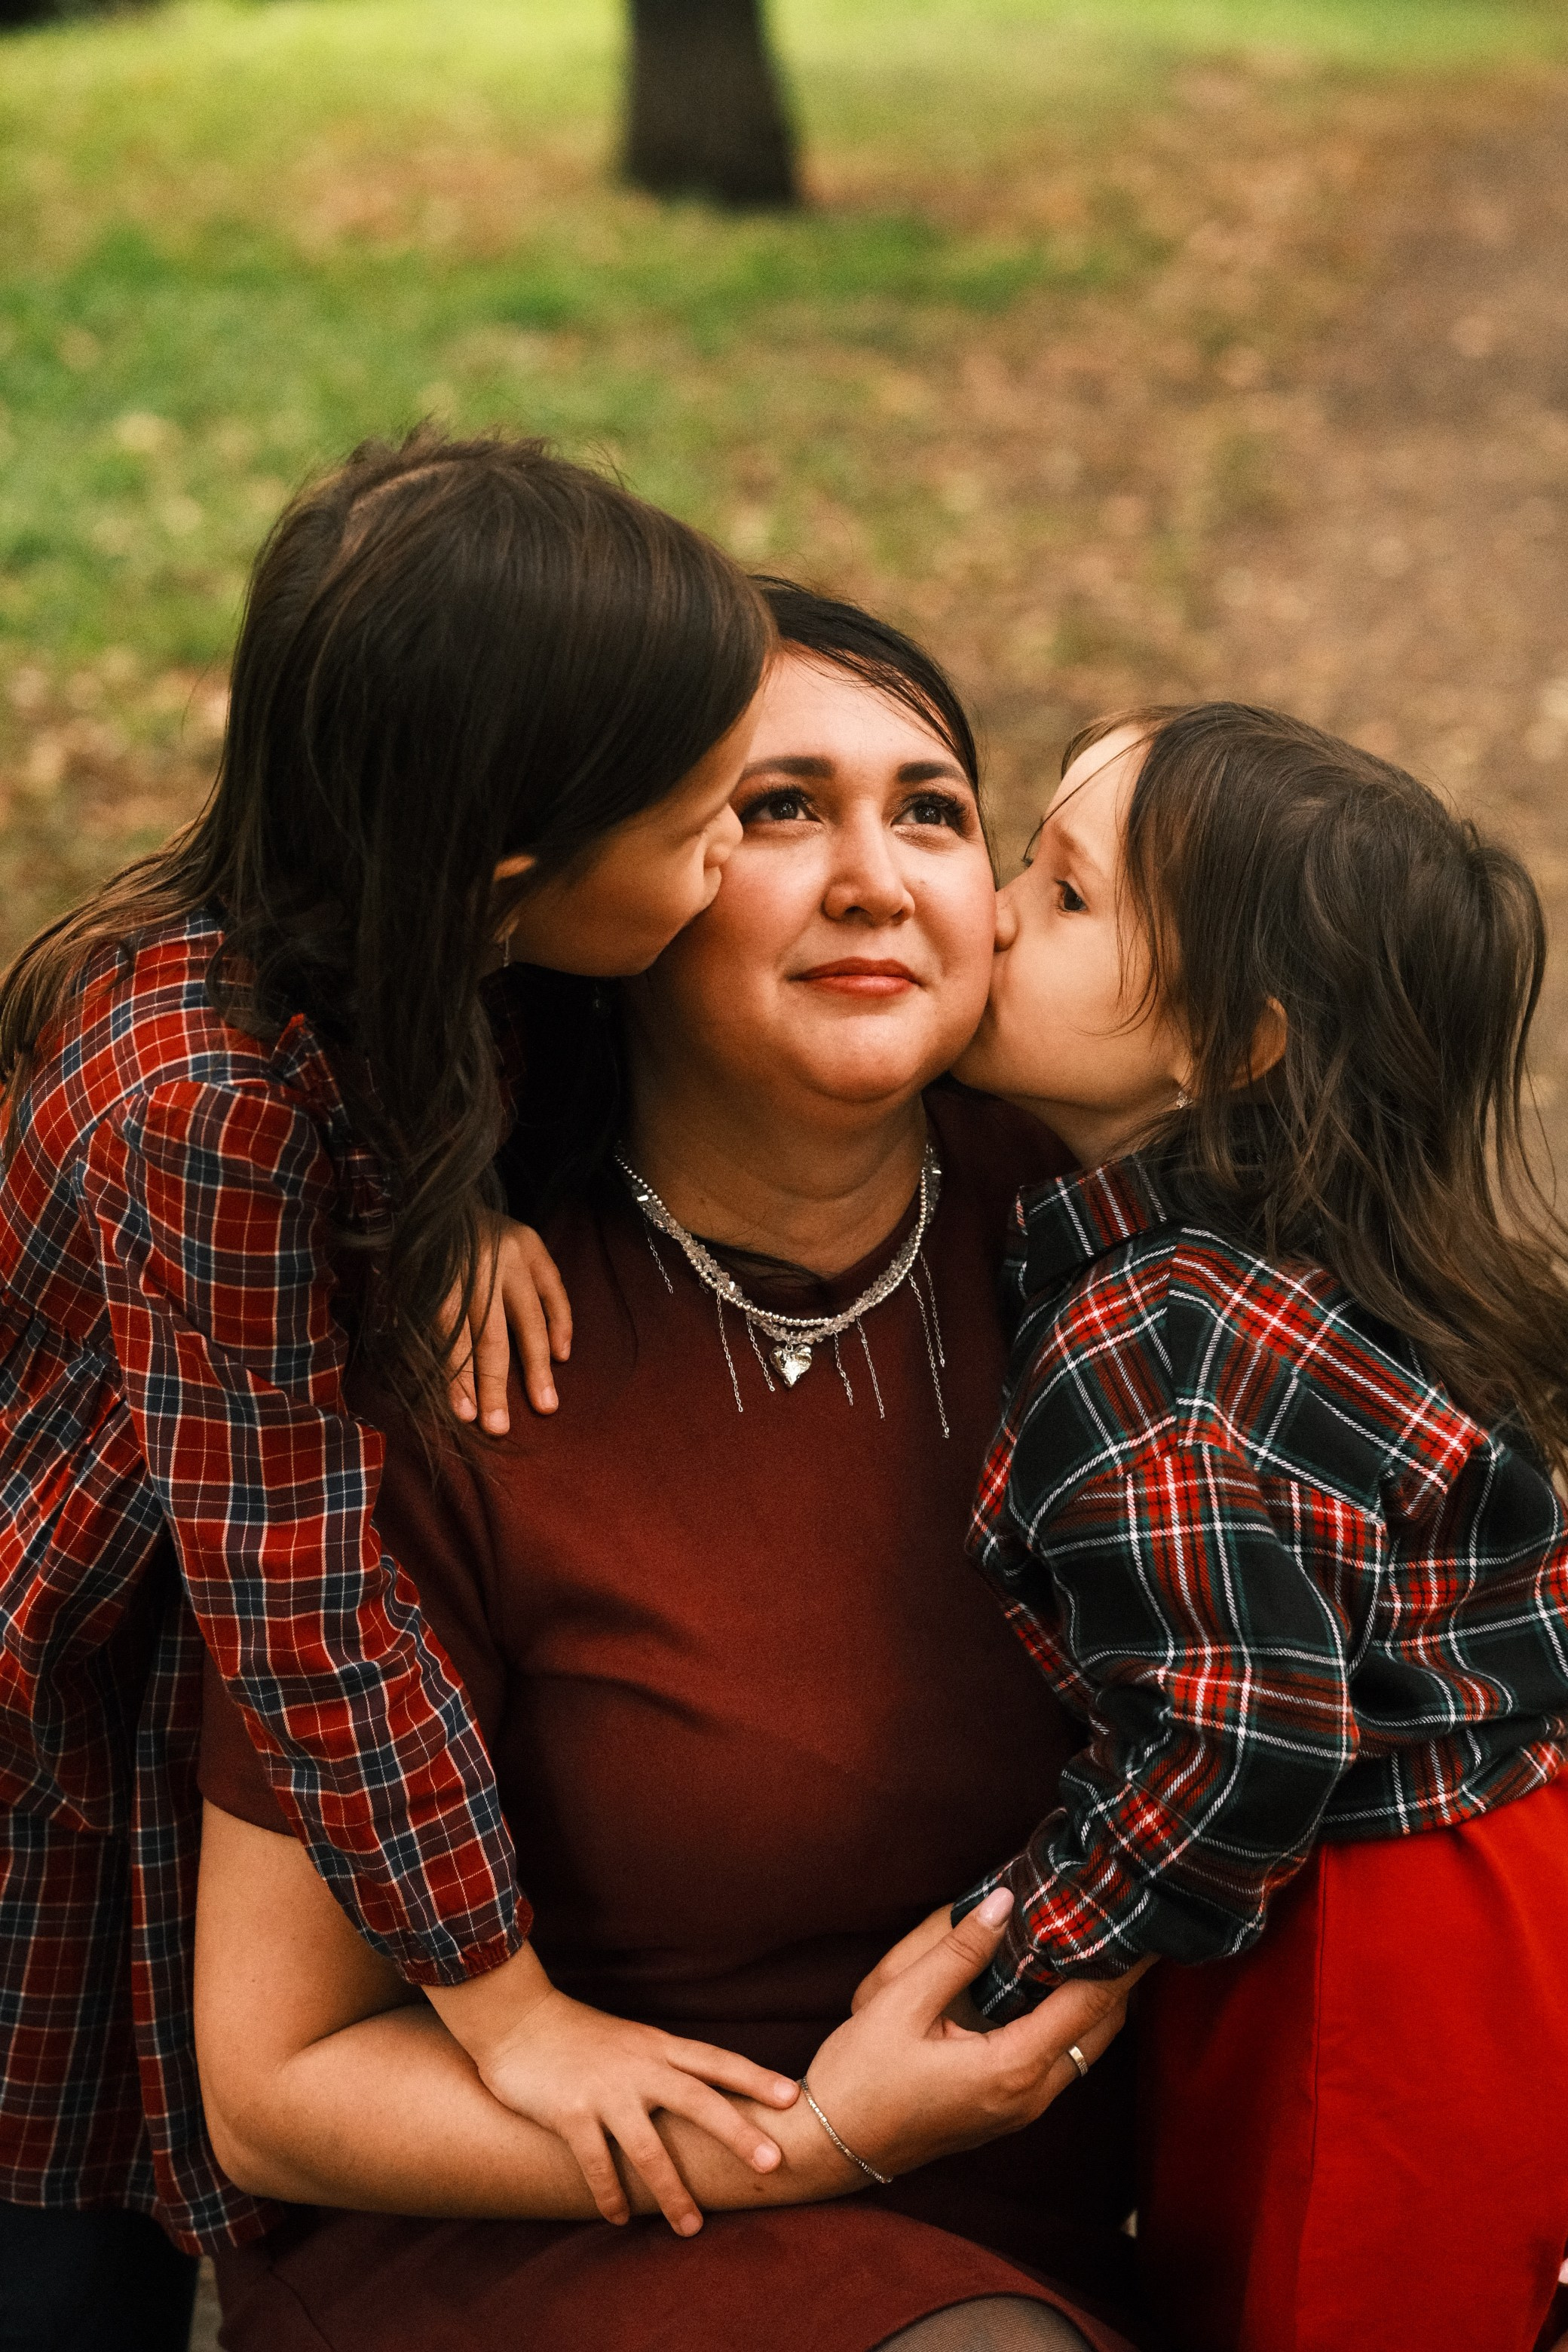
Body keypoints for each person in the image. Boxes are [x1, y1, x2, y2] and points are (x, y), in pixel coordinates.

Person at [190, 586, 1154, 2352]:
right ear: (609, 895)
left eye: (931, 811)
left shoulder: (1112, 1253)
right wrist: (820, 2144)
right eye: (779, 809)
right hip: (551, 2225)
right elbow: (275, 2083)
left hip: (1047, 2209)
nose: (874, 875)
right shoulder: (449, 1334)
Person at [0, 430, 776, 2347]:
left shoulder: (419, 953)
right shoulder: (202, 1098)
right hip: (58, 1755)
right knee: (67, 2256)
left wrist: (465, 1202)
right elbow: (300, 1604)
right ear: (513, 865)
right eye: (698, 826)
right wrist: (509, 2013)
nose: (728, 865)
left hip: (187, 1747)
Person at [880, 702, 1568, 2350]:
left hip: (1374, 1943)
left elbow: (1242, 1722)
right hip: (1491, 1867)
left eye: (1059, 899)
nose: (983, 909)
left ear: (1227, 1049)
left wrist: (1016, 1952)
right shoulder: (1300, 1250)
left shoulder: (1156, 1335)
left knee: (1331, 2291)